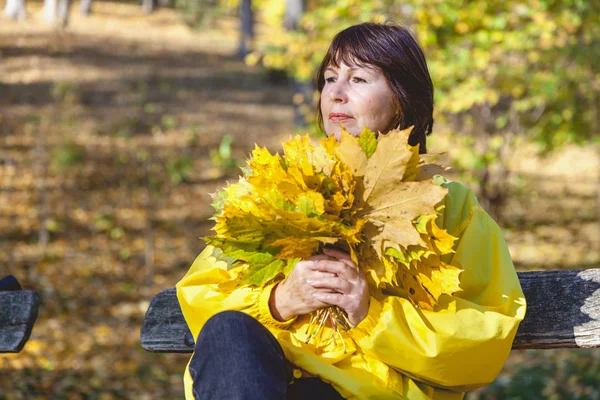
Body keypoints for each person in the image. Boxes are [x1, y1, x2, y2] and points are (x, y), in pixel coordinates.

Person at [176, 22, 526, 400]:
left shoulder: (449, 208)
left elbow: (484, 342)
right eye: (329, 78)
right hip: (268, 387)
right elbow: (204, 294)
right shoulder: (280, 187)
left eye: (358, 79)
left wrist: (371, 314)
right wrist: (278, 301)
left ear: (402, 99)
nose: (336, 94)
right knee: (229, 330)